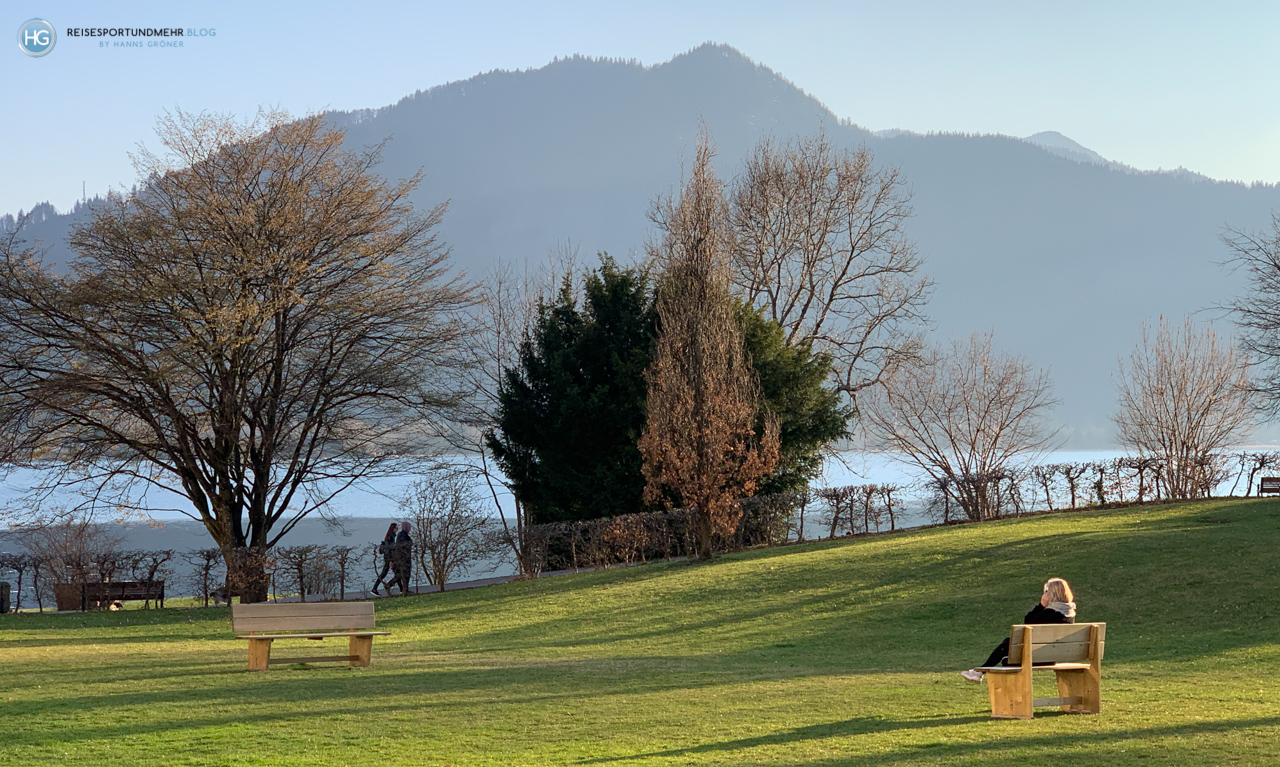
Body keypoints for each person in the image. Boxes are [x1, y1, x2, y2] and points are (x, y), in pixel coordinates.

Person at [961, 577, 1076, 683]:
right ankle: (979, 672)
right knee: (1006, 656)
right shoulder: (1070, 614)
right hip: (1052, 657)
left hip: (1037, 657)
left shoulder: (1049, 613)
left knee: (1007, 646)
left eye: (1046, 591)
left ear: (1052, 594)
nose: (1044, 594)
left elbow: (1028, 622)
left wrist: (1041, 605)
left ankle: (979, 672)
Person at [372, 522, 397, 595]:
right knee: (386, 573)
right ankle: (375, 588)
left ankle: (402, 589)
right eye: (396, 528)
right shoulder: (391, 538)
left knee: (396, 573)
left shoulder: (389, 537)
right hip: (389, 558)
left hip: (387, 557)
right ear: (393, 529)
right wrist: (391, 560)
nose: (397, 530)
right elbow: (390, 549)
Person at [390, 520, 414, 596]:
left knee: (405, 575)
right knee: (404, 575)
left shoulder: (403, 535)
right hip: (403, 559)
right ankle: (402, 590)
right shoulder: (402, 535)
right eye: (409, 527)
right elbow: (402, 547)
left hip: (404, 558)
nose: (410, 529)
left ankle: (405, 590)